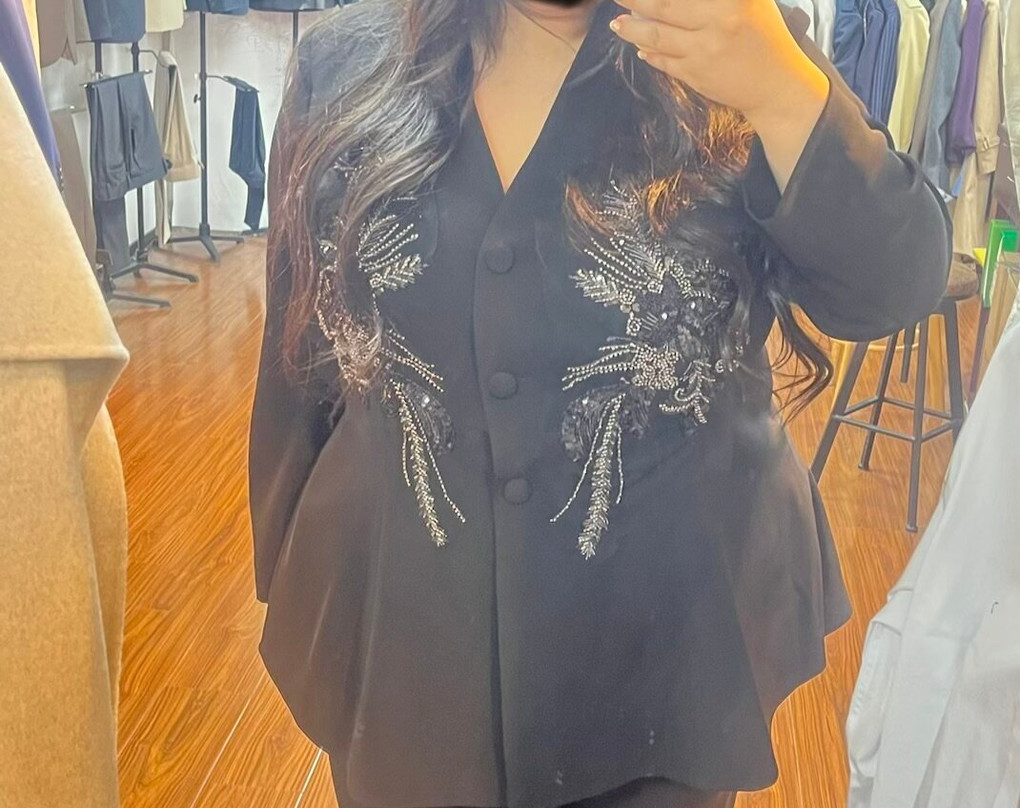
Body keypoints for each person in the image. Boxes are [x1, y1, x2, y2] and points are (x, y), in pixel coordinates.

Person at [248, 1, 950, 806]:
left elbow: (895, 286)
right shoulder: (344, 65)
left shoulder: (734, 36)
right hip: (407, 659)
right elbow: (300, 364)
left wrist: (785, 95)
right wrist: (305, 585)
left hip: (665, 669)